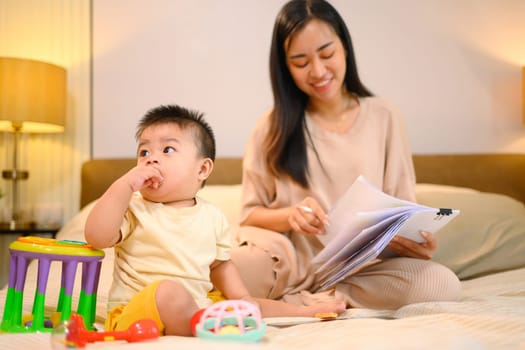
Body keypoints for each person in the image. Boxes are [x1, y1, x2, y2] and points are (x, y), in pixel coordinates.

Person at [231, 0, 461, 309]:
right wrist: (291, 215)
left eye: (327, 54)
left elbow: (404, 208)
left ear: (345, 48)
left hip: (359, 270)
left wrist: (413, 243)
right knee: (225, 270)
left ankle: (315, 301)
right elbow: (248, 214)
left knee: (441, 282)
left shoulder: (384, 116)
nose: (318, 71)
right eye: (300, 62)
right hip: (288, 264)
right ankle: (304, 297)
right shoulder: (272, 125)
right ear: (285, 67)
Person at [84, 104, 345, 337]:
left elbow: (220, 265)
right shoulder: (134, 209)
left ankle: (307, 313)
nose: (151, 158)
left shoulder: (213, 216)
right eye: (143, 152)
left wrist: (241, 298)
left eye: (168, 149)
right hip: (135, 315)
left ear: (202, 169)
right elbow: (96, 236)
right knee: (167, 292)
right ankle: (203, 330)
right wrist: (124, 185)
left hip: (196, 304)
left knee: (245, 305)